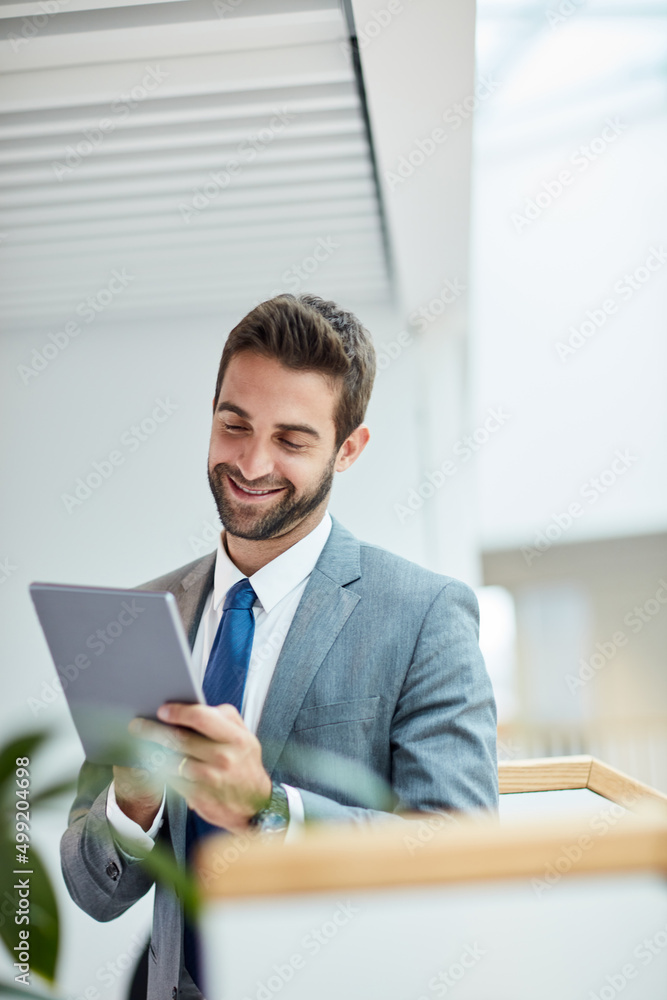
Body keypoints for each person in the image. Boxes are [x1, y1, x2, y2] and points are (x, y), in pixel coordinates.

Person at [61, 293, 498, 999]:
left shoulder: (424, 615)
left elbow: (462, 856)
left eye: (292, 440)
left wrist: (269, 811)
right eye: (233, 425)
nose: (252, 462)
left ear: (347, 449)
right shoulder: (142, 615)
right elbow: (94, 892)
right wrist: (131, 802)